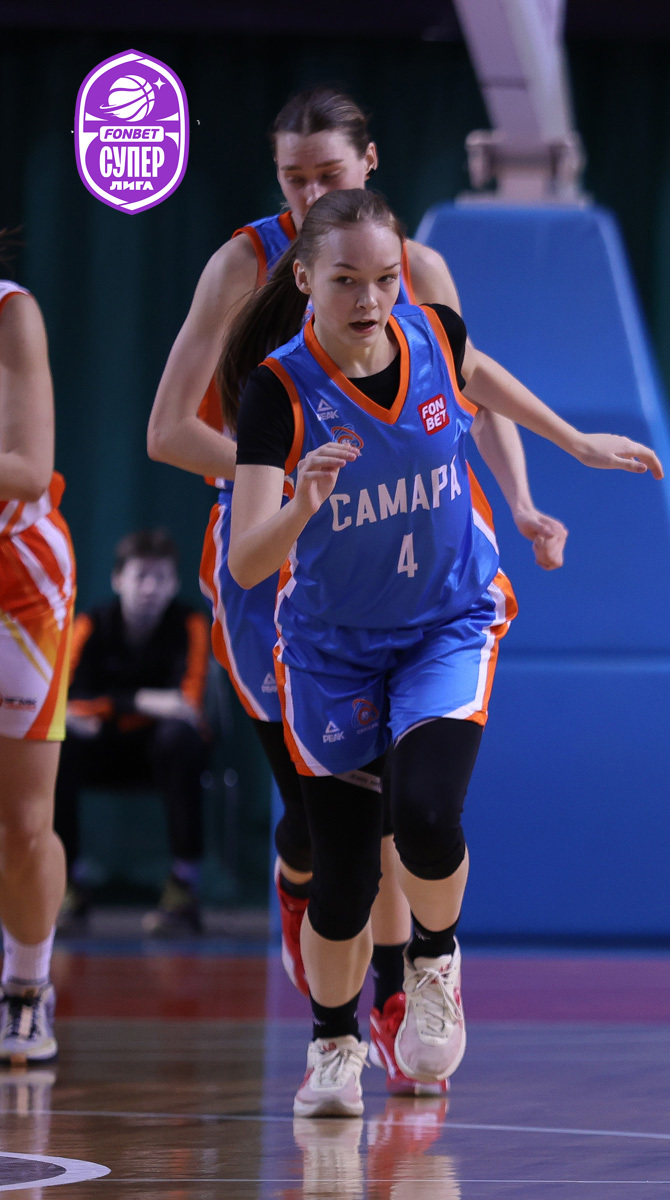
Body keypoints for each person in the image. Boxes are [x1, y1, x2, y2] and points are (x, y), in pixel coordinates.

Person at [145, 86, 567, 1096]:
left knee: (408, 815)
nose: (307, 194)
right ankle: (325, 945)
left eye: (327, 175)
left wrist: (523, 498)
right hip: (287, 560)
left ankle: (400, 990)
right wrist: (289, 477)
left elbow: (472, 388)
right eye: (292, 179)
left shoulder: (415, 277)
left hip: (411, 567)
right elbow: (168, 432)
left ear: (368, 166)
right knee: (325, 826)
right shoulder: (246, 276)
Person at [220, 188, 661, 1117]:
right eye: (346, 281)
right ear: (304, 282)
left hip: (445, 622)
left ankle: (434, 958)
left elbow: (481, 373)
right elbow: (249, 560)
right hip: (333, 650)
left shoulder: (431, 334)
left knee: (424, 816)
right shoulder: (277, 392)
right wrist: (300, 506)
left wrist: (573, 443)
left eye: (385, 278)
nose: (370, 299)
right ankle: (332, 1046)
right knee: (343, 884)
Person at [55, 530, 212, 934]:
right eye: (141, 576)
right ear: (117, 579)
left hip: (161, 754)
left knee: (180, 738)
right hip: (101, 749)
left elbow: (187, 704)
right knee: (57, 742)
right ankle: (70, 883)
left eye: (161, 577)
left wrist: (109, 706)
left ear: (174, 584)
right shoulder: (90, 623)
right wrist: (141, 701)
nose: (150, 588)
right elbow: (66, 701)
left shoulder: (191, 623)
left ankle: (182, 889)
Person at [0, 268, 74, 1066]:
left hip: (17, 581)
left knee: (21, 824)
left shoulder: (10, 311)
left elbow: (26, 467)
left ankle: (26, 984)